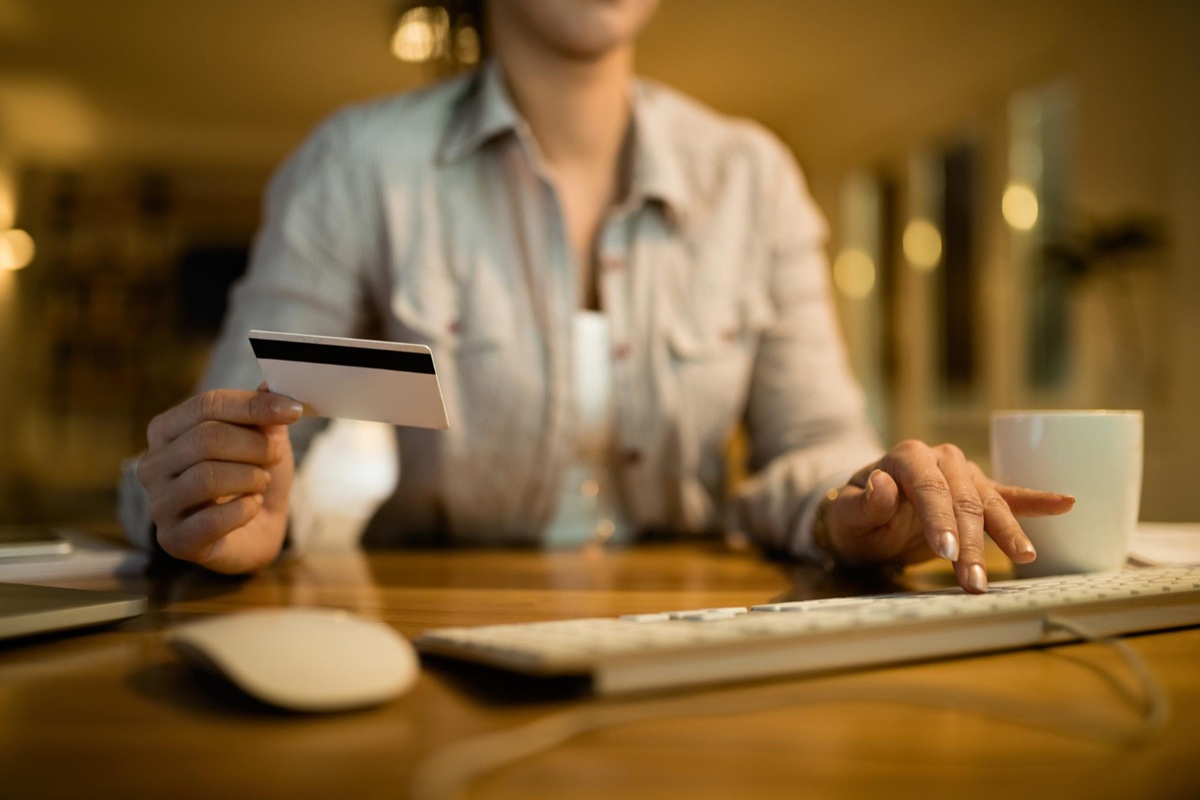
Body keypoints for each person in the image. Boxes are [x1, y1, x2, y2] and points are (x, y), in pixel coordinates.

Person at [122, 0, 1073, 590]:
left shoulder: (753, 176)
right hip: (429, 632)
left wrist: (861, 505)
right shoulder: (357, 167)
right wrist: (213, 507)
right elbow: (226, 433)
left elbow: (811, 449)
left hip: (703, 636)